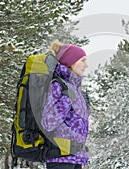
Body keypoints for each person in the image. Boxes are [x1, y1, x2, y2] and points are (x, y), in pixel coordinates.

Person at [41, 41, 90, 169]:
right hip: (60, 158)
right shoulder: (57, 86)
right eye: (83, 60)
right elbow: (47, 122)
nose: (86, 65)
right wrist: (66, 101)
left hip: (75, 158)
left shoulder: (76, 89)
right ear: (71, 62)